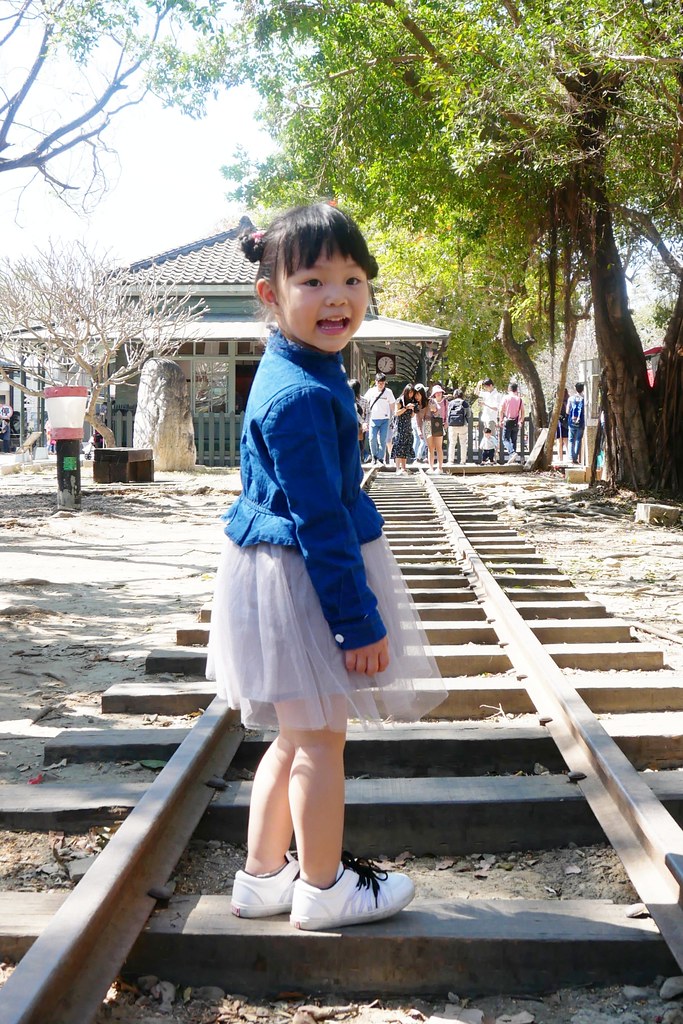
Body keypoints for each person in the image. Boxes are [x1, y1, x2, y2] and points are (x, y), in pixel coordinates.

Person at [205, 203, 443, 932]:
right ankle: (323, 886)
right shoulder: (304, 393)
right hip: (303, 581)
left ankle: (262, 876)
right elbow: (321, 521)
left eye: (352, 278)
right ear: (270, 294)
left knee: (293, 732)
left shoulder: (298, 366)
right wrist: (356, 622)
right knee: (319, 740)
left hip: (276, 572)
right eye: (312, 280)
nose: (336, 296)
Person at [363, 372, 395, 465]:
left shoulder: (388, 392)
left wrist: (395, 415)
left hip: (385, 419)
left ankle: (380, 458)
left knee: (383, 440)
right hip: (373, 419)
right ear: (376, 382)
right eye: (379, 383)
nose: (381, 385)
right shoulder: (371, 391)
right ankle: (374, 457)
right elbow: (365, 402)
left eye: (383, 383)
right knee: (372, 438)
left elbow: (392, 405)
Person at [393, 383, 416, 474]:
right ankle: (397, 468)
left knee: (406, 447)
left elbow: (412, 415)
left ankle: (404, 468)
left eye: (412, 393)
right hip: (400, 427)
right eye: (409, 393)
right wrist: (406, 407)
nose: (411, 395)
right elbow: (396, 413)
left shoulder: (411, 401)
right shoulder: (399, 401)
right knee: (399, 446)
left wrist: (414, 409)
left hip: (408, 426)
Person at [425, 384, 447, 473]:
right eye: (436, 392)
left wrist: (446, 424)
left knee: (439, 447)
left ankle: (439, 467)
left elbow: (447, 414)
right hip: (430, 424)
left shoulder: (445, 402)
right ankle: (431, 467)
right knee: (431, 447)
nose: (438, 394)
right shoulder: (430, 401)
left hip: (439, 425)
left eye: (439, 392)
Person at [499, 382, 524, 459]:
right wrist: (521, 420)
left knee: (505, 439)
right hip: (516, 421)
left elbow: (501, 409)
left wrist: (501, 420)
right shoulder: (519, 399)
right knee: (514, 440)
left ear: (509, 389)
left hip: (507, 420)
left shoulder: (506, 398)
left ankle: (512, 453)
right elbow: (523, 411)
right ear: (516, 389)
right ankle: (513, 458)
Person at [446, 388, 470, 465]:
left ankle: (451, 461)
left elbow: (448, 414)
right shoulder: (464, 403)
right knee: (463, 443)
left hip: (452, 425)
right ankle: (463, 461)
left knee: (452, 443)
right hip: (463, 425)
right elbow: (468, 414)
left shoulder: (451, 403)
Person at [348, 379, 368, 460]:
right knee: (359, 445)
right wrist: (364, 422)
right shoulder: (351, 400)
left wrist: (364, 423)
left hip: (354, 426)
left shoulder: (348, 399)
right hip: (359, 426)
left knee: (356, 445)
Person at [567, 382, 586, 464]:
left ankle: (571, 457)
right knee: (578, 439)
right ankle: (575, 458)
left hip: (572, 422)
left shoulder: (571, 399)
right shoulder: (584, 398)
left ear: (575, 389)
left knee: (571, 440)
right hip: (581, 422)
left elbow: (567, 411)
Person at [412, 383, 428, 462]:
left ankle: (415, 457)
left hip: (418, 423)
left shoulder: (426, 402)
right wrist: (419, 430)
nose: (417, 396)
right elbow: (418, 419)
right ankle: (417, 457)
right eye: (416, 395)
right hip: (418, 423)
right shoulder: (417, 405)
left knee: (417, 440)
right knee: (422, 440)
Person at [556, 388, 569, 462]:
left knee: (560, 441)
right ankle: (568, 457)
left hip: (559, 422)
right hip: (566, 423)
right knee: (565, 440)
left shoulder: (558, 402)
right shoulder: (567, 401)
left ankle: (560, 458)